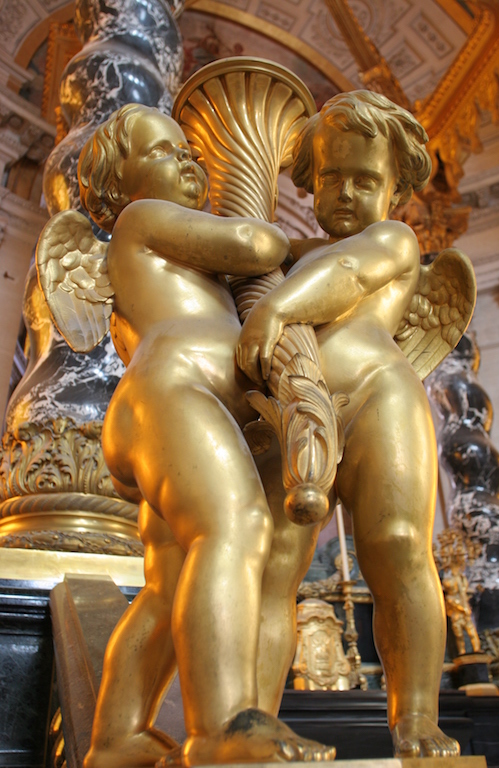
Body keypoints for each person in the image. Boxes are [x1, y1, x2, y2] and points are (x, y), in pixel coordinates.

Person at [46, 103, 335, 767]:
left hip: (173, 404)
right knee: (235, 527)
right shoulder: (140, 220)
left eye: (187, 150)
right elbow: (256, 246)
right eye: (162, 150)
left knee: (170, 582)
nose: (186, 159)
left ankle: (116, 736)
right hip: (175, 389)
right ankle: (221, 727)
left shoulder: (185, 259)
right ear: (118, 184)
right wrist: (277, 238)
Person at [237, 90, 461, 758]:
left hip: (378, 398)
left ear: (396, 189)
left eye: (366, 180)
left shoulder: (393, 238)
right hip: (292, 404)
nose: (346, 192)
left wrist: (277, 309)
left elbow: (348, 271)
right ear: (309, 181)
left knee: (398, 547)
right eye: (331, 176)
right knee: (270, 566)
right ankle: (253, 719)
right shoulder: (285, 254)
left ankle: (416, 716)